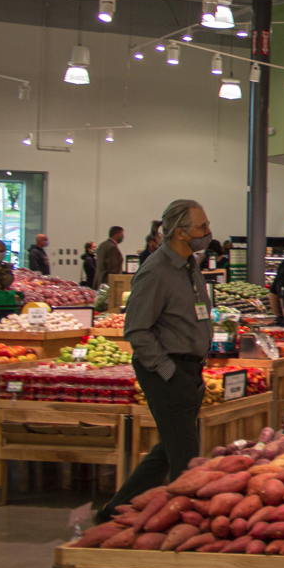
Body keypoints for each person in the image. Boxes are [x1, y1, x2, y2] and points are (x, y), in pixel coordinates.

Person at [95, 200, 216, 523]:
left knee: (170, 447)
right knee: (186, 460)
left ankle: (112, 512)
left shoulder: (189, 265)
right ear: (179, 233)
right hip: (166, 370)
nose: (208, 232)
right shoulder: (155, 271)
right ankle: (183, 525)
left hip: (190, 368)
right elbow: (136, 330)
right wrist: (169, 372)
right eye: (202, 227)